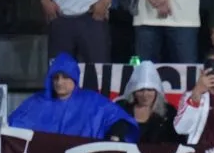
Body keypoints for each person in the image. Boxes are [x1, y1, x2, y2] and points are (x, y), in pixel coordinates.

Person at [9, 53, 138, 142]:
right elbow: (12, 125)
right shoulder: (37, 102)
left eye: (65, 77)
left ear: (74, 79)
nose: (59, 82)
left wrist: (115, 136)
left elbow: (118, 119)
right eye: (56, 77)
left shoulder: (92, 101)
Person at [114, 60, 181, 143]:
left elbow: (177, 141)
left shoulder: (169, 112)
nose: (145, 95)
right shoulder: (121, 109)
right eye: (140, 90)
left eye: (149, 90)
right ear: (133, 92)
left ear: (157, 91)